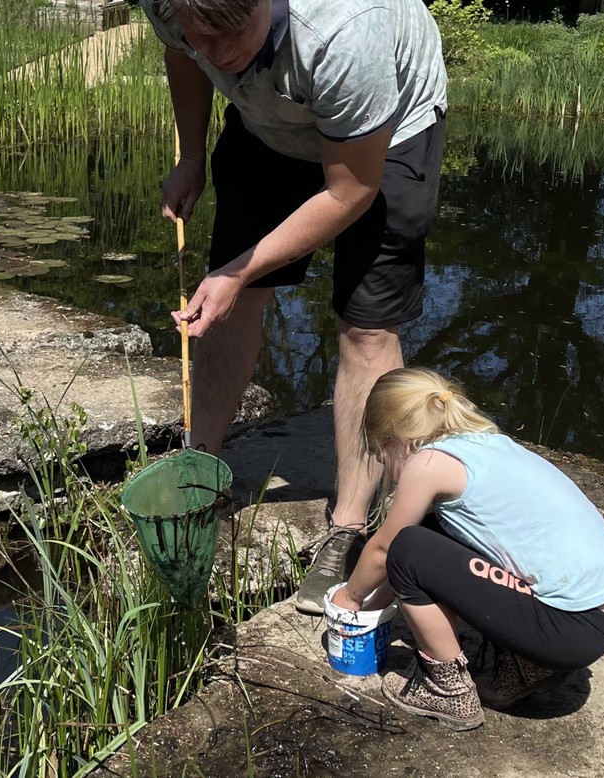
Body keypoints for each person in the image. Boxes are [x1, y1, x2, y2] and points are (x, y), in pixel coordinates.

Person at [139, 0, 449, 614]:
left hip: (384, 137)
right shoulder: (172, 7)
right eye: (205, 34)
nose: (219, 52)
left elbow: (351, 189)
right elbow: (183, 54)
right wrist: (192, 155)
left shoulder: (345, 31)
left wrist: (241, 267)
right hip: (267, 124)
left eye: (234, 35)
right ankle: (203, 466)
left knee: (365, 328)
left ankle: (348, 526)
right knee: (227, 301)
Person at [331, 368, 604, 731]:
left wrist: (350, 599)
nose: (386, 466)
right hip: (598, 619)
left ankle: (448, 691)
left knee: (408, 545)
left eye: (382, 453)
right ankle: (526, 667)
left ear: (394, 436)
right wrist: (379, 602)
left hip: (565, 629)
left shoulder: (428, 464)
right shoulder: (486, 444)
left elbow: (386, 550)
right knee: (430, 531)